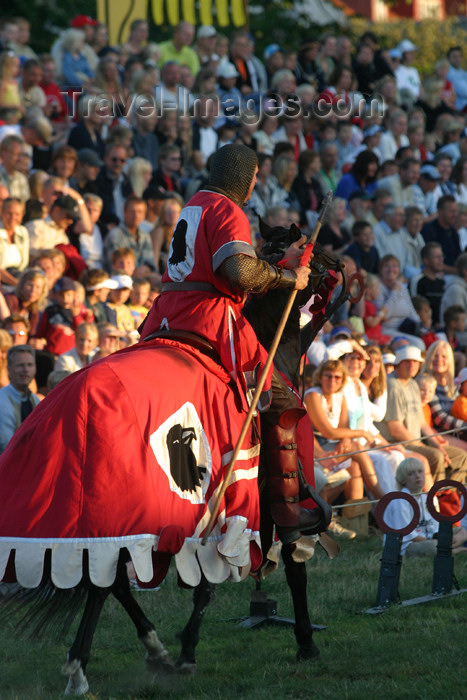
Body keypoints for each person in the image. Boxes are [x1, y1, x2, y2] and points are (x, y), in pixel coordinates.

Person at [140, 144, 317, 544]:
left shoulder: (193, 204)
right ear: (245, 176)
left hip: (167, 314)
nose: (255, 184)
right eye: (255, 176)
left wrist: (279, 264)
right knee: (281, 400)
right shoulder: (227, 209)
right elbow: (237, 270)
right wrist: (292, 280)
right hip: (208, 320)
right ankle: (288, 512)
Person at [385, 458, 467, 556]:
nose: (417, 476)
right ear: (403, 480)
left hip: (429, 537)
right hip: (408, 545)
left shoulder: (424, 497)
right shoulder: (401, 501)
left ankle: (449, 547)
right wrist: (437, 541)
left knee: (460, 531)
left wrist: (443, 536)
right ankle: (457, 549)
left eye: (420, 472)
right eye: (411, 474)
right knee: (433, 546)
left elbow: (434, 526)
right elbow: (408, 534)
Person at [0, 344, 39, 454]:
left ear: (35, 368)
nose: (25, 370)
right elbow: (7, 445)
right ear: (9, 369)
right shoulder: (2, 401)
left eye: (29, 365)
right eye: (20, 365)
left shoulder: (35, 400)